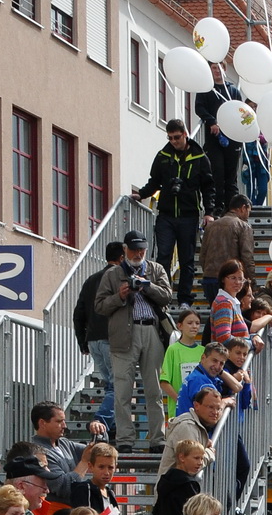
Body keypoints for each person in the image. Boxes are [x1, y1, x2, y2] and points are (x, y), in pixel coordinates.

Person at [93, 231, 171, 453]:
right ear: (124, 250)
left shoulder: (156, 269)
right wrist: (120, 296)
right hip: (123, 335)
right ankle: (125, 439)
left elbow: (166, 295)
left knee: (154, 389)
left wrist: (147, 286)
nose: (138, 253)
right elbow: (99, 306)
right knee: (122, 389)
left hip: (151, 331)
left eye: (142, 250)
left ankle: (158, 439)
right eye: (134, 249)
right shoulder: (113, 274)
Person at [131, 119, 211, 305]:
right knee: (163, 257)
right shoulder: (163, 156)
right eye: (170, 138)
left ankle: (184, 298)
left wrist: (210, 212)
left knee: (187, 259)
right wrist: (141, 194)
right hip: (166, 214)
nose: (174, 141)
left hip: (189, 215)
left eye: (177, 137)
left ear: (185, 134)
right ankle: (163, 296)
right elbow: (154, 181)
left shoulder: (199, 157)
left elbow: (208, 187)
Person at [72, 241, 124, 437]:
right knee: (118, 384)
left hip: (93, 340)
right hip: (112, 339)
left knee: (112, 383)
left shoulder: (91, 280)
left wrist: (82, 341)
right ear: (122, 258)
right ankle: (101, 421)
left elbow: (79, 313)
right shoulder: (120, 279)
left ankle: (111, 428)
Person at [194, 63, 245, 212]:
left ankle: (232, 207)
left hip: (232, 137)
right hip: (213, 138)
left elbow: (240, 111)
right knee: (216, 171)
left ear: (224, 69)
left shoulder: (233, 91)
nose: (217, 71)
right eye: (214, 68)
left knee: (231, 175)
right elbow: (199, 108)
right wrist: (211, 121)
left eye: (219, 68)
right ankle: (217, 206)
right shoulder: (205, 89)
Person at [200, 195, 254, 304]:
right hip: (231, 280)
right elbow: (247, 256)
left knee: (216, 313)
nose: (248, 215)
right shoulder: (243, 226)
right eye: (248, 211)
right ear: (243, 208)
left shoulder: (210, 226)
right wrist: (251, 281)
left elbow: (202, 256)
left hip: (209, 278)